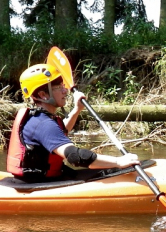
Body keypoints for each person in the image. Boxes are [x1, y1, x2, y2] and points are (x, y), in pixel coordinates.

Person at [7, 63, 140, 181]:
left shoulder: (40, 119)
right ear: (43, 95)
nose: (65, 90)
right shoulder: (43, 124)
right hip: (39, 184)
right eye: (59, 87)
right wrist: (118, 161)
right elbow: (74, 156)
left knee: (111, 170)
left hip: (44, 178)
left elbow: (59, 133)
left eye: (63, 85)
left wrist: (77, 109)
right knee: (114, 168)